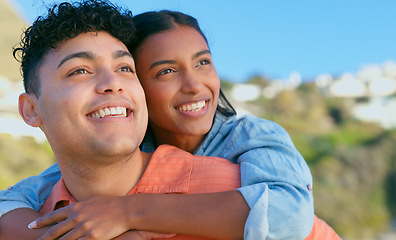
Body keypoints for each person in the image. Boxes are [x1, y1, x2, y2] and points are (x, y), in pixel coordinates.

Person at [0, 1, 318, 239]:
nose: (193, 85)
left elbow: (289, 213)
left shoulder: (247, 147)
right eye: (165, 71)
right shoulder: (70, 184)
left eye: (124, 68)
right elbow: (16, 196)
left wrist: (132, 213)